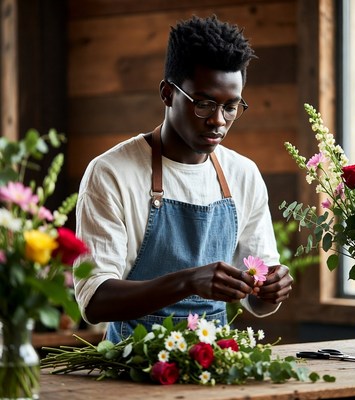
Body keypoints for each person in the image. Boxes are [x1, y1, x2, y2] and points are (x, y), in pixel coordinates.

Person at [74, 15, 293, 343]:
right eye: (204, 104)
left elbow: (256, 302)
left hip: (215, 365)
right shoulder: (111, 173)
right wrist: (188, 282)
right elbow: (94, 301)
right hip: (130, 369)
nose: (218, 121)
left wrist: (271, 289)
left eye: (231, 107)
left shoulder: (243, 175)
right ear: (167, 93)